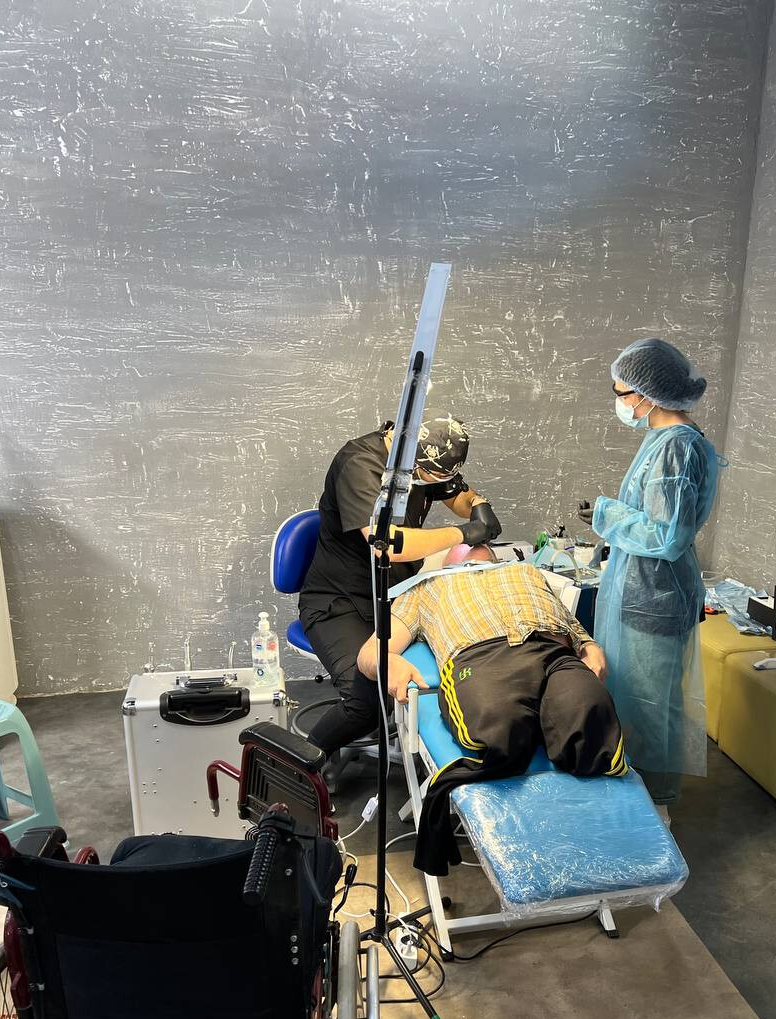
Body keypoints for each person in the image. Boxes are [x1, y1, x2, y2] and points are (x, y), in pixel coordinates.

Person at [356, 544, 626, 875]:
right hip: (482, 658)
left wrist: (590, 645)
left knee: (591, 714)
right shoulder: (426, 587)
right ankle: (533, 856)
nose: (473, 553)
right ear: (447, 562)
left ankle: (591, 846)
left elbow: (569, 624)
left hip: (554, 652)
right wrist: (388, 664)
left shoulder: (526, 572)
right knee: (499, 730)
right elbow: (369, 652)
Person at [299, 416, 501, 754]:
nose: (432, 483)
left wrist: (479, 506)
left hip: (399, 596)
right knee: (366, 701)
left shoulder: (425, 455)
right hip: (342, 603)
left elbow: (457, 494)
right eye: (429, 476)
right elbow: (388, 545)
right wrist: (463, 533)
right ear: (413, 460)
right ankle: (303, 762)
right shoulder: (359, 465)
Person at [590, 337, 723, 825]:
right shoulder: (663, 439)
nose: (620, 402)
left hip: (655, 594)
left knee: (649, 705)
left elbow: (667, 536)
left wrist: (607, 515)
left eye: (621, 392)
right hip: (645, 588)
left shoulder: (677, 448)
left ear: (648, 394)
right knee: (634, 696)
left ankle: (656, 809)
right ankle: (639, 796)